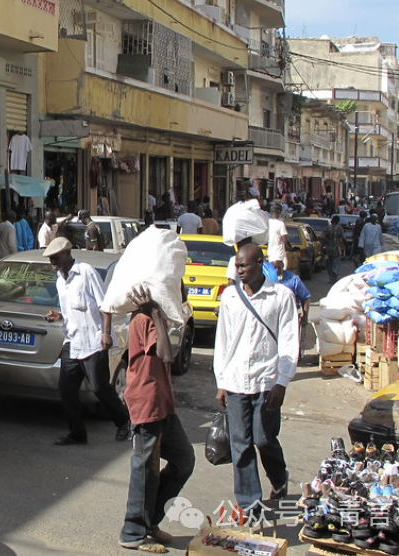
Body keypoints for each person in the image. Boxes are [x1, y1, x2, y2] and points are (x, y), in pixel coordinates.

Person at [214, 243, 299, 519]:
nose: (239, 270)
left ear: (260, 264)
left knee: (264, 439)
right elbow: (223, 341)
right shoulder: (230, 297)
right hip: (237, 380)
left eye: (244, 266)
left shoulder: (281, 296)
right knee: (241, 443)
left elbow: (289, 341)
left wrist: (282, 381)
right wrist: (221, 380)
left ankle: (279, 477)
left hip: (267, 380)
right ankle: (250, 504)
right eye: (237, 266)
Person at [116, 286, 195, 554]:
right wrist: (156, 315)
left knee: (184, 460)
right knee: (144, 470)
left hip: (162, 403)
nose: (182, 290)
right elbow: (165, 354)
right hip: (147, 402)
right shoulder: (145, 319)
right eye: (177, 286)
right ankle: (132, 531)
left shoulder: (151, 317)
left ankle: (149, 522)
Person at [42, 237, 130, 445]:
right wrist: (59, 316)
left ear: (66, 254)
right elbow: (72, 310)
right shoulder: (60, 280)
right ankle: (77, 433)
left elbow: (104, 305)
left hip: (93, 340)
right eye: (50, 258)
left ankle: (123, 421)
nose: (53, 262)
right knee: (66, 389)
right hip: (72, 342)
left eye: (55, 257)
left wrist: (106, 334)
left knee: (100, 388)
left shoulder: (86, 272)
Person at [266, 204, 289, 274]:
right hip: (279, 254)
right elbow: (285, 240)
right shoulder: (280, 224)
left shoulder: (267, 223)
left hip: (270, 254)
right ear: (278, 212)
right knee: (280, 275)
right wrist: (286, 250)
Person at [323, 216, 345, 283]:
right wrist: (345, 245)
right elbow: (343, 238)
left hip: (328, 248)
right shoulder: (339, 228)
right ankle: (335, 274)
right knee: (336, 262)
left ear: (332, 220)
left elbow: (323, 237)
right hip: (336, 248)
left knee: (329, 263)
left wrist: (323, 247)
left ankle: (331, 278)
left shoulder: (327, 228)